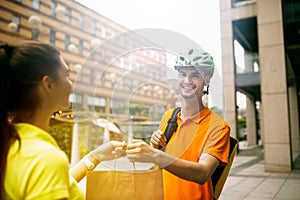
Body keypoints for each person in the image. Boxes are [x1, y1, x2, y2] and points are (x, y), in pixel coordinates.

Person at [0, 41, 125, 200]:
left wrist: (95, 156)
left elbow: (52, 184)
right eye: (66, 75)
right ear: (48, 84)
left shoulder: (11, 143)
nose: (71, 85)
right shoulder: (45, 158)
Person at [126, 48, 231, 200]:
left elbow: (202, 173)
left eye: (194, 75)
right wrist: (155, 145)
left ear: (206, 80)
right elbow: (162, 156)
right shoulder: (169, 116)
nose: (187, 81)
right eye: (183, 74)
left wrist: (154, 154)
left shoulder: (218, 126)